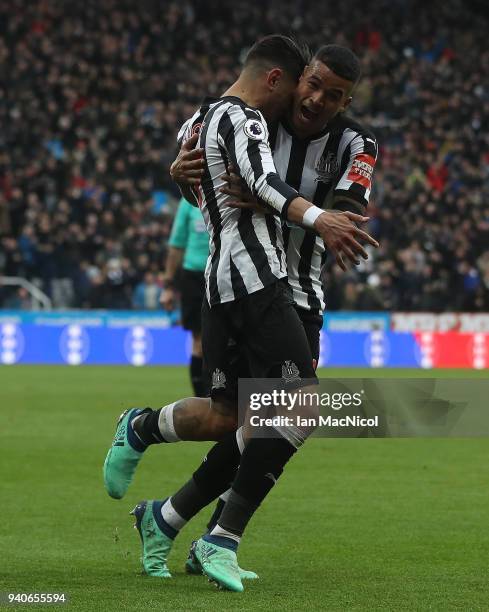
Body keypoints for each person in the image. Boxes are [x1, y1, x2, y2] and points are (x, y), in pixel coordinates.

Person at [103, 35, 378, 592]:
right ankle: (219, 537)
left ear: (345, 104)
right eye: (315, 84)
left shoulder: (358, 145)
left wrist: (290, 207)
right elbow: (200, 150)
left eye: (334, 95)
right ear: (297, 79)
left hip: (301, 292)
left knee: (240, 421)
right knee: (293, 411)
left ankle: (164, 510)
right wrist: (179, 170)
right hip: (252, 285)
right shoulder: (259, 115)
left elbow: (344, 215)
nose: (318, 99)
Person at [162, 197, 209, 397]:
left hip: (223, 274)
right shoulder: (187, 204)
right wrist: (168, 286)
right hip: (193, 277)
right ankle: (201, 399)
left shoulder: (227, 194)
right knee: (198, 340)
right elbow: (176, 245)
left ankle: (221, 397)